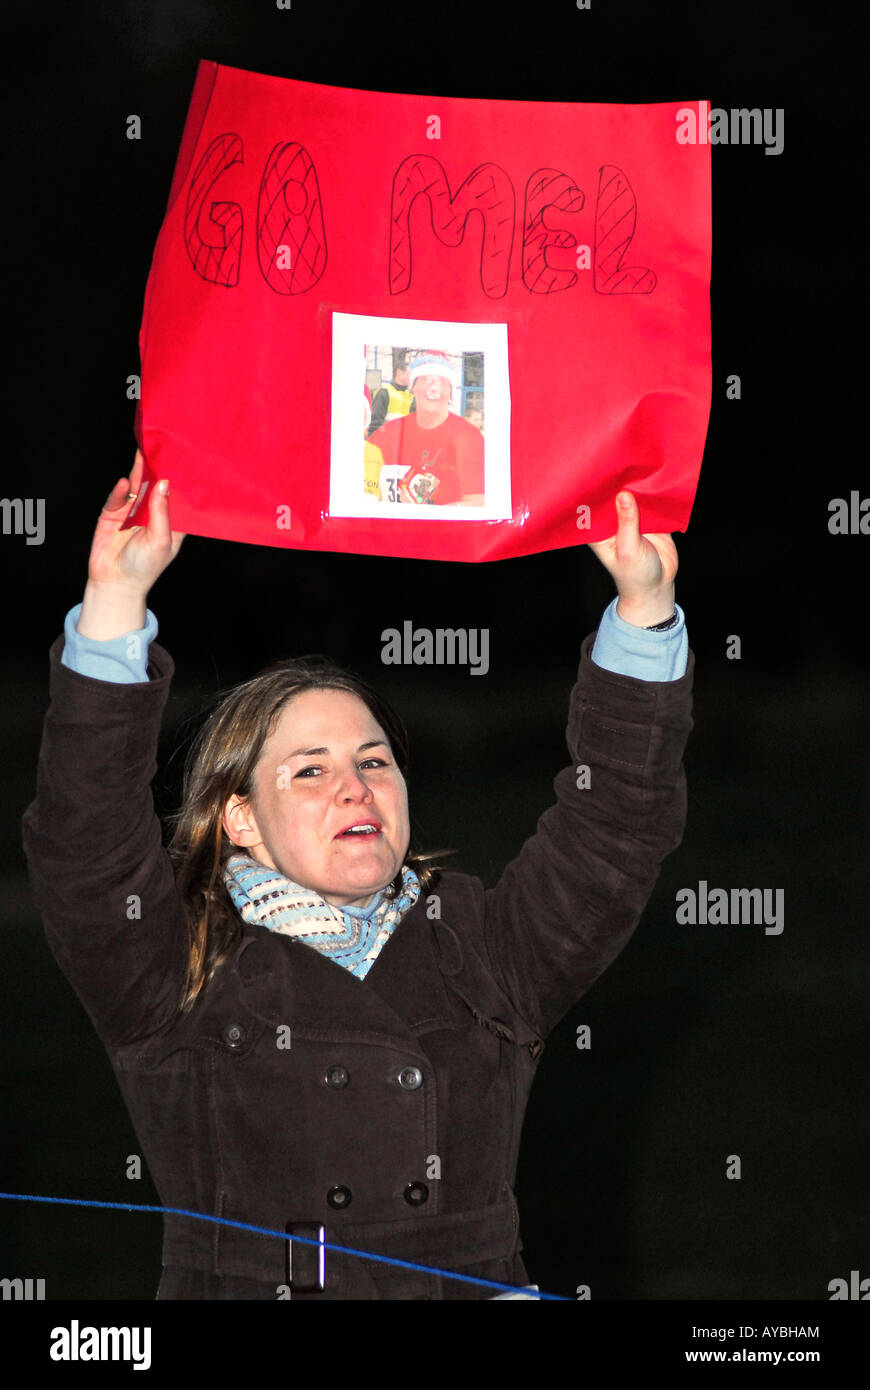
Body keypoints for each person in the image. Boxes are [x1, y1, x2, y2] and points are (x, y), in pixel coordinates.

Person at [22, 449, 692, 1300]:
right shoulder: (172, 963)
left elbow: (615, 831)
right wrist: (115, 604)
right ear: (239, 821)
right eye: (309, 770)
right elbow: (83, 846)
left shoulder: (484, 947)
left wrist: (643, 606)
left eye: (374, 760)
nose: (354, 785)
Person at [368, 351, 485, 506]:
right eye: (426, 381)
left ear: (451, 392)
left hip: (445, 529)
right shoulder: (389, 433)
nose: (434, 389)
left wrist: (430, 515)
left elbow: (479, 501)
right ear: (413, 387)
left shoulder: (470, 437)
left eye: (442, 382)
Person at [367, 349, 414, 436]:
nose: (410, 377)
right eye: (409, 374)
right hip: (385, 441)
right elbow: (375, 423)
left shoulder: (410, 397)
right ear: (399, 373)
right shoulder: (384, 393)